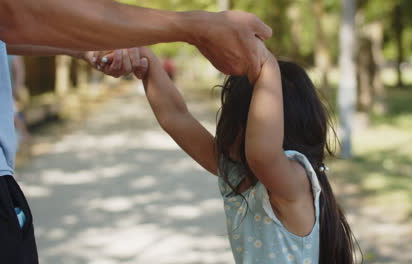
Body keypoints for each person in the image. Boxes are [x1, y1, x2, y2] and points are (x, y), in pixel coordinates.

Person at [0, 1, 271, 263]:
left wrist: (98, 46)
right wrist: (187, 33)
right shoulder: (261, 178)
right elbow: (11, 14)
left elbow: (0, 21)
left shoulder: (285, 180)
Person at [135, 45, 360, 264]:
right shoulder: (238, 175)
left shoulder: (295, 183)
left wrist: (265, 63)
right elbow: (175, 117)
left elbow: (262, 154)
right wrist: (146, 60)